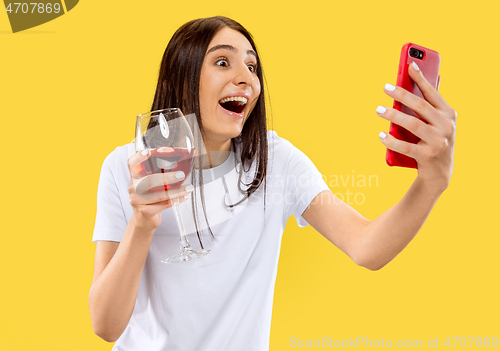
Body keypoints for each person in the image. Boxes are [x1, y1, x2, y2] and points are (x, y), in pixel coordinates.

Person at [89, 16, 456, 351]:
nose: (246, 78)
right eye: (222, 62)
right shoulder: (126, 167)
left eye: (252, 66)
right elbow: (105, 325)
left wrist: (431, 183)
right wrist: (143, 224)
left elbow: (366, 247)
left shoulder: (276, 161)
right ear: (180, 77)